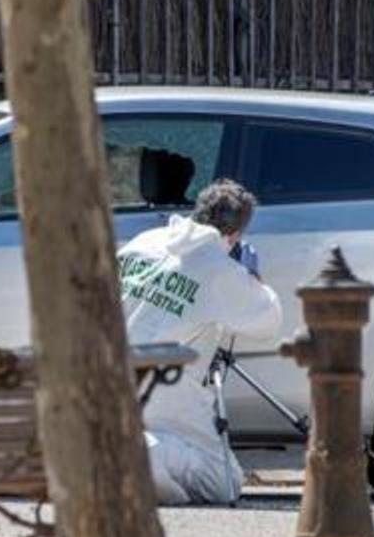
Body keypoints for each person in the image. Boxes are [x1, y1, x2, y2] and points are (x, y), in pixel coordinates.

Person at [118, 178, 281, 505]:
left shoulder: (144, 241)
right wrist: (250, 276)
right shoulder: (219, 269)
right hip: (164, 394)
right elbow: (269, 323)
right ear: (235, 235)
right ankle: (138, 451)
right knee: (224, 483)